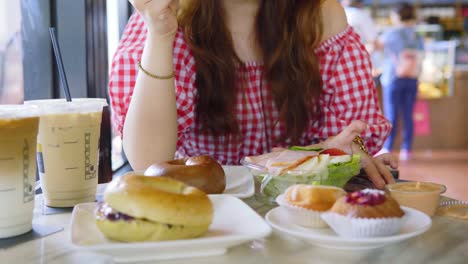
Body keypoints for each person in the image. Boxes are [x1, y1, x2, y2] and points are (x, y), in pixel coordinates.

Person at [109, 0, 396, 189]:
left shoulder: (320, 13)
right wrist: (160, 33)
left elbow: (355, 137)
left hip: (305, 211)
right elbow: (149, 160)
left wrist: (349, 148)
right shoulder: (168, 15)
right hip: (207, 212)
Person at [378, 3, 424, 160]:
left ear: (397, 16)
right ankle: (407, 149)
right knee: (408, 115)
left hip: (393, 78)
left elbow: (376, 45)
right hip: (412, 79)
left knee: (391, 114)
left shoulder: (392, 33)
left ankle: (388, 148)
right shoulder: (417, 35)